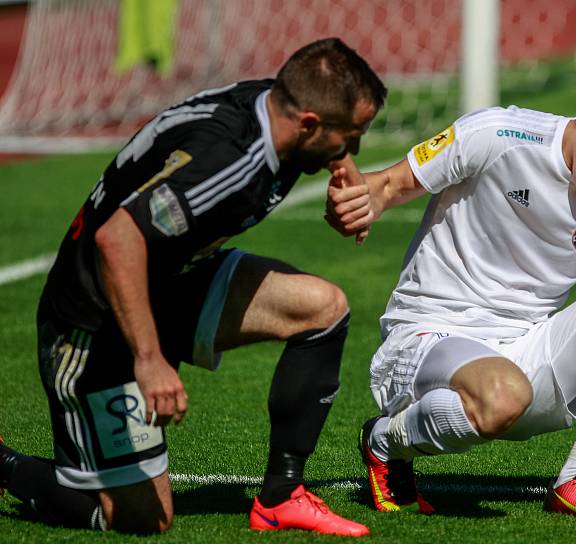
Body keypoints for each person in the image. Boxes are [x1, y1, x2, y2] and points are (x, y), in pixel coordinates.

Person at [0, 37, 386, 536]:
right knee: (143, 518)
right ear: (309, 124)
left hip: (175, 282)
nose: (351, 151)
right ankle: (5, 464)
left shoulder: (277, 104)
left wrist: (343, 173)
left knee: (323, 308)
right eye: (348, 139)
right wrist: (148, 358)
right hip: (95, 321)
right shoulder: (228, 163)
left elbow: (320, 121)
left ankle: (281, 497)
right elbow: (116, 240)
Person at [326, 64, 576, 522]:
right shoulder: (497, 135)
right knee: (503, 392)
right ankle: (384, 441)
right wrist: (362, 201)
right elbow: (388, 186)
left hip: (528, 354)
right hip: (428, 337)